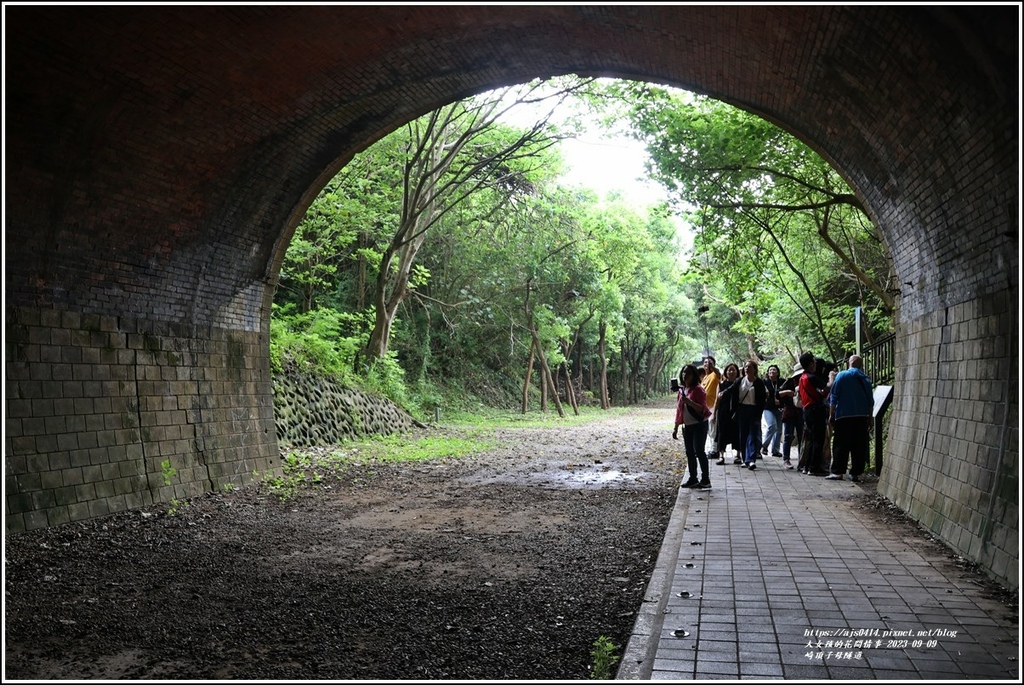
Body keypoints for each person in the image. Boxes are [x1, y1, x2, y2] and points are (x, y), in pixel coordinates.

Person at [827, 354, 874, 481]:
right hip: (861, 417)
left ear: (849, 363)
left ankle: (838, 472)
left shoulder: (842, 375)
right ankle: (856, 473)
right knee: (858, 446)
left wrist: (831, 415)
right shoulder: (865, 379)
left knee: (841, 444)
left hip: (844, 416)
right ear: (861, 365)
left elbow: (834, 397)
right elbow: (870, 401)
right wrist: (870, 418)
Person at [719, 360, 768, 469]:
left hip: (754, 410)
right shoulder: (740, 380)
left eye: (750, 367)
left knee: (752, 434)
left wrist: (759, 415)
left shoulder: (759, 383)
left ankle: (750, 459)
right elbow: (731, 389)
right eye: (746, 366)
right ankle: (745, 459)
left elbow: (762, 400)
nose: (747, 368)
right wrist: (722, 393)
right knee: (743, 434)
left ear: (754, 369)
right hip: (742, 410)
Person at [676, 364, 712, 489]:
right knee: (689, 452)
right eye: (684, 372)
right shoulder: (682, 390)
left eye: (689, 373)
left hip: (699, 425)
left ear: (694, 375)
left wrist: (690, 402)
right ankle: (693, 478)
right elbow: (679, 410)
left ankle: (705, 479)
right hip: (688, 426)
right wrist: (676, 427)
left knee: (699, 451)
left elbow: (702, 409)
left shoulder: (698, 390)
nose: (685, 375)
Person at [797, 352, 830, 476]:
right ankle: (814, 467)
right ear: (811, 363)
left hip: (807, 410)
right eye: (814, 362)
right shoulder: (811, 377)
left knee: (811, 439)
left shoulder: (802, 377)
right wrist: (831, 378)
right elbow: (826, 388)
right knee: (818, 439)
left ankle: (808, 466)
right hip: (816, 410)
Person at [712, 362, 741, 465]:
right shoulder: (721, 384)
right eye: (729, 370)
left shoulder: (740, 384)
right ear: (726, 372)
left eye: (733, 370)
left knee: (736, 433)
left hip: (736, 412)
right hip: (723, 412)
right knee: (722, 433)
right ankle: (721, 455)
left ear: (737, 372)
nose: (731, 372)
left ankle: (738, 455)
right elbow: (717, 400)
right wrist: (714, 414)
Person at [761, 364, 785, 458]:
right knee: (772, 426)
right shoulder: (765, 382)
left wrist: (781, 401)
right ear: (768, 373)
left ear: (777, 372)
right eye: (770, 370)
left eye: (774, 370)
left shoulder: (782, 382)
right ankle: (764, 446)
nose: (772, 371)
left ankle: (775, 450)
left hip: (779, 408)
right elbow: (764, 395)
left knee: (779, 430)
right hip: (768, 408)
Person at [700, 356, 722, 461]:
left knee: (713, 427)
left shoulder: (715, 375)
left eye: (709, 363)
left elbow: (718, 374)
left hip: (713, 405)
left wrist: (712, 367)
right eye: (705, 363)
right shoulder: (705, 377)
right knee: (708, 428)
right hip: (705, 407)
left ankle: (714, 450)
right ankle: (711, 449)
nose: (707, 364)